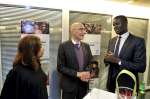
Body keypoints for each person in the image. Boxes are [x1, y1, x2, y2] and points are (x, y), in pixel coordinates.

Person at [104, 15, 146, 93]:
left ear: (126, 23)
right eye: (114, 25)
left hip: (127, 87)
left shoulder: (138, 41)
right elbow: (110, 59)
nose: (115, 27)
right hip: (111, 85)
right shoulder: (112, 41)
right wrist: (106, 59)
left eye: (117, 24)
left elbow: (141, 67)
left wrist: (118, 61)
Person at [57, 22, 93, 99]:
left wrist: (87, 72)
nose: (84, 32)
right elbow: (60, 67)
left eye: (84, 30)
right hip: (69, 86)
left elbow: (90, 63)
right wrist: (78, 74)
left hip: (83, 85)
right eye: (81, 29)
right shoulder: (63, 46)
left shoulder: (86, 46)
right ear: (72, 31)